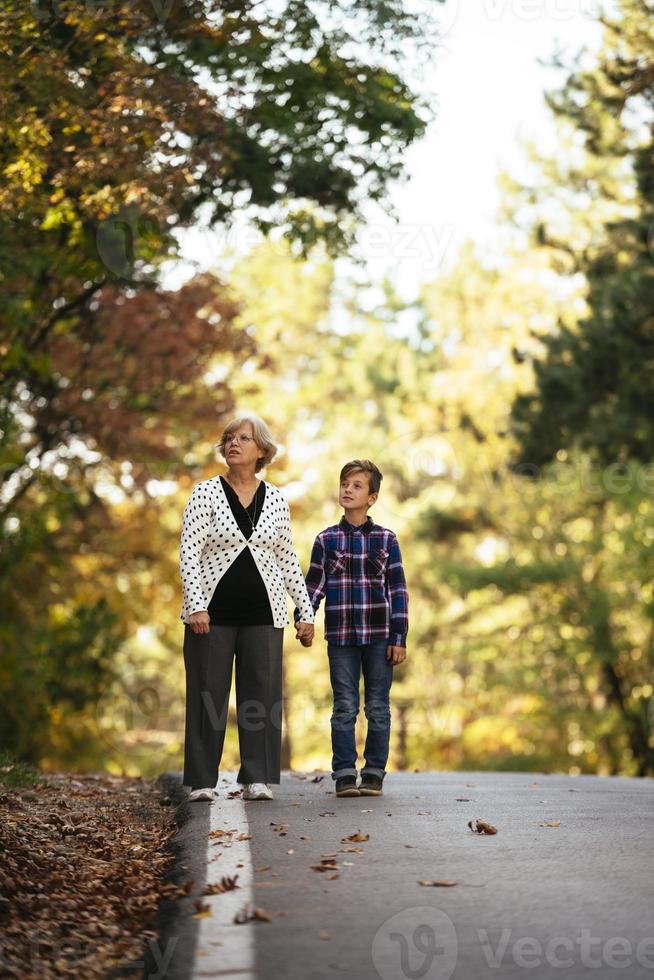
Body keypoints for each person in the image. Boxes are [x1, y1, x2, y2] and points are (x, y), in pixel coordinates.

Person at [179, 413, 315, 802]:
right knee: (208, 694)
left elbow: (287, 558)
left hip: (264, 613)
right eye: (229, 438)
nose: (233, 443)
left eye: (244, 438)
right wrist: (196, 605)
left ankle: (257, 777)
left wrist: (304, 611)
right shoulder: (204, 493)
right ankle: (203, 781)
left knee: (262, 696)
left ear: (262, 450)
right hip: (211, 615)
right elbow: (189, 551)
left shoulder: (275, 498)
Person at [295, 459, 408, 798]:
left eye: (357, 485)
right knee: (344, 704)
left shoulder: (387, 540)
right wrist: (305, 618)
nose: (348, 489)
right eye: (345, 483)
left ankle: (373, 772)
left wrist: (399, 637)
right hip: (341, 637)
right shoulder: (326, 540)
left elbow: (398, 591)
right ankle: (344, 773)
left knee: (377, 706)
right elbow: (313, 585)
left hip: (379, 637)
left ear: (372, 497)